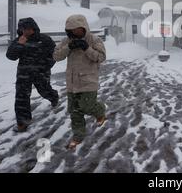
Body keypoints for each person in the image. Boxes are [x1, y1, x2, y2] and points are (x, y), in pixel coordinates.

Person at [53, 14, 107, 150]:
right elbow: (56, 56)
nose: (75, 32)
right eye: (71, 29)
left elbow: (101, 57)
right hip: (72, 83)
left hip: (88, 81)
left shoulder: (94, 39)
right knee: (75, 111)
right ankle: (78, 136)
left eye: (77, 29)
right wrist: (68, 47)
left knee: (87, 106)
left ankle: (100, 111)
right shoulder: (66, 40)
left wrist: (86, 48)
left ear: (84, 27)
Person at [6, 17, 58, 132]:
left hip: (41, 72)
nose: (26, 31)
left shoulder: (44, 39)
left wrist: (45, 67)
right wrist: (19, 45)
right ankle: (23, 123)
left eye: (28, 28)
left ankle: (53, 97)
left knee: (44, 90)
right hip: (23, 73)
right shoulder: (19, 40)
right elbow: (10, 56)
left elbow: (54, 55)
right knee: (21, 97)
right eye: (23, 29)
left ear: (34, 28)